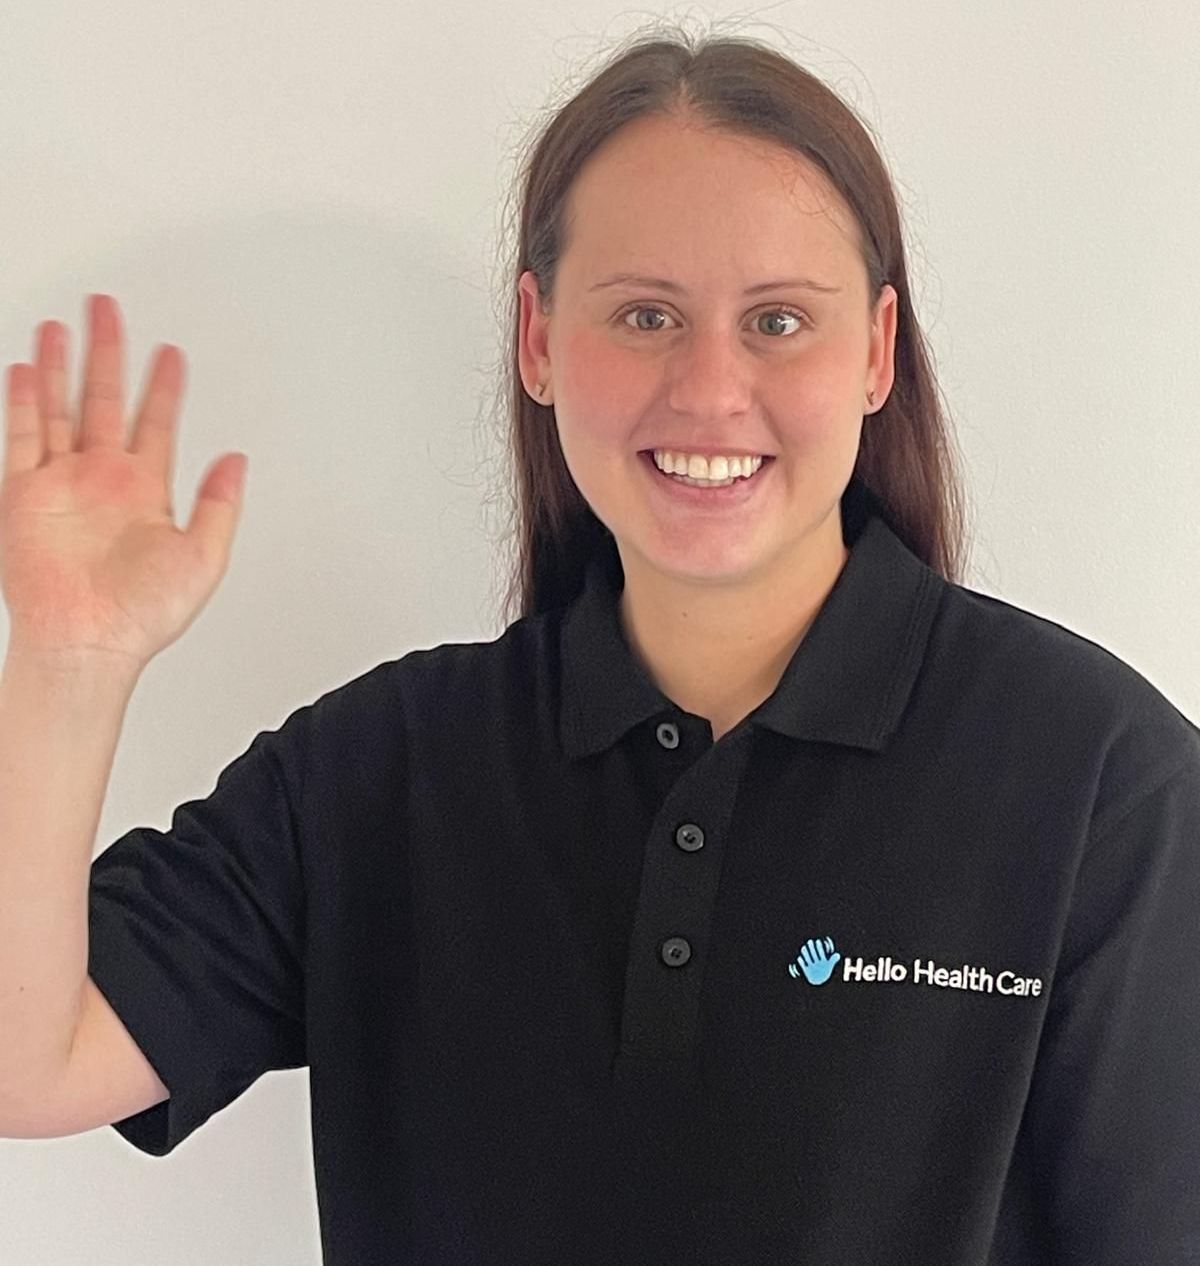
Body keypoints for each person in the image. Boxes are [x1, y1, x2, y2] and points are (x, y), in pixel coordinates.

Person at [2, 24, 1198, 1266]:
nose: (711, 389)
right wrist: (67, 666)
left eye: (780, 320)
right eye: (643, 316)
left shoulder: (1102, 785)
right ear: (536, 338)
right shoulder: (379, 773)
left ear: (877, 352)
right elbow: (28, 1064)